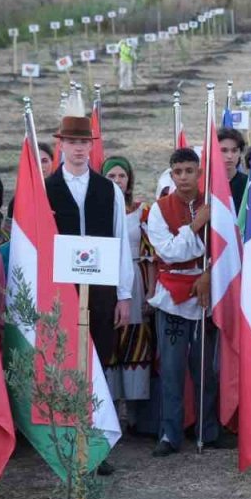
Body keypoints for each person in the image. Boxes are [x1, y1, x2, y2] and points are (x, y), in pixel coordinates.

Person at [46, 101, 134, 475]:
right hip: (60, 290)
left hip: (99, 291)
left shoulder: (107, 189)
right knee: (63, 362)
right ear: (61, 145)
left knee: (95, 364)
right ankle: (66, 442)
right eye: (72, 141)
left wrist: (124, 294)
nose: (79, 148)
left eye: (85, 142)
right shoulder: (46, 188)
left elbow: (119, 241)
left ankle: (95, 444)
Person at [146, 149, 224, 455]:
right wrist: (195, 225)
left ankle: (208, 430)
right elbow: (168, 252)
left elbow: (227, 247)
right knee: (172, 368)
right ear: (171, 174)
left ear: (199, 172)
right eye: (178, 171)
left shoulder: (215, 204)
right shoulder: (159, 209)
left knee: (206, 368)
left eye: (189, 171)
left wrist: (209, 272)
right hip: (173, 296)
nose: (183, 177)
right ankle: (169, 433)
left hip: (208, 292)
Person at [102, 156, 157, 434]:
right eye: (111, 176)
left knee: (136, 340)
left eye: (121, 176)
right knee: (109, 339)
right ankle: (109, 412)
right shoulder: (98, 209)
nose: (117, 181)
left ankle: (136, 413)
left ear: (129, 180)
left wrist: (149, 290)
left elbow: (149, 256)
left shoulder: (142, 211)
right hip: (104, 282)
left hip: (134, 278)